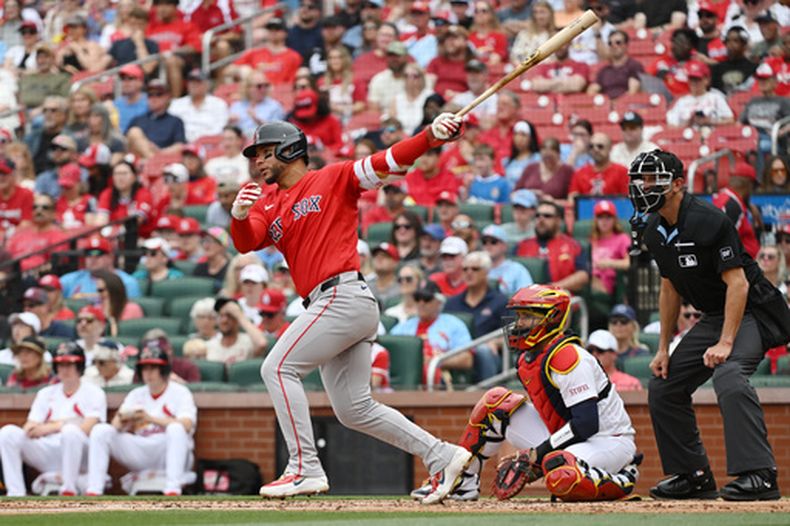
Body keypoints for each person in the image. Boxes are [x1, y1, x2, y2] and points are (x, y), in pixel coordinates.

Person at [229, 115, 472, 501]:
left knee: (277, 367)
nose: (258, 161)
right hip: (333, 304)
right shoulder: (268, 201)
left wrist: (429, 136)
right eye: (255, 154)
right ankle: (442, 455)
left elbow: (387, 161)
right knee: (354, 409)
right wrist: (238, 217)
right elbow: (247, 241)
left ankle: (304, 467)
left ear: (290, 149)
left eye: (265, 152)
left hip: (342, 295)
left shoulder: (332, 177)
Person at [628, 149, 788, 500]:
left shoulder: (709, 219)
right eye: (642, 179)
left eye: (655, 179)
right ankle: (693, 475)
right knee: (664, 386)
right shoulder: (653, 229)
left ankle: (761, 475)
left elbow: (739, 284)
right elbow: (669, 287)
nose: (645, 186)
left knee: (729, 375)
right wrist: (662, 348)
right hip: (716, 315)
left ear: (679, 185)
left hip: (754, 310)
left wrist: (727, 342)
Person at [411, 284, 639, 502]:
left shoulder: (568, 356)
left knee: (560, 473)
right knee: (495, 403)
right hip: (568, 435)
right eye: (519, 316)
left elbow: (587, 423)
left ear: (552, 318)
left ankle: (623, 476)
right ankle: (462, 481)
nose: (519, 323)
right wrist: (538, 454)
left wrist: (537, 454)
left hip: (609, 440)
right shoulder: (529, 358)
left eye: (527, 316)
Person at [86, 341, 197, 496]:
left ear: (163, 369)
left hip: (166, 448)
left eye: (153, 368)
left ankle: (173, 488)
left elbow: (187, 424)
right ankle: (94, 489)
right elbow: (115, 425)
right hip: (142, 449)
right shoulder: (136, 394)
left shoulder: (180, 392)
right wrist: (125, 419)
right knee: (101, 430)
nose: (148, 373)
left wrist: (150, 419)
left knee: (175, 428)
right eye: (145, 368)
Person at [0, 341, 106, 496]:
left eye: (70, 364)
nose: (65, 369)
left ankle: (69, 488)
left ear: (80, 366)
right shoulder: (46, 393)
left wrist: (54, 426)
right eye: (61, 365)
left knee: (71, 432)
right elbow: (29, 428)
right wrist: (65, 423)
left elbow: (86, 428)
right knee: (8, 432)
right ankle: (16, 492)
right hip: (48, 451)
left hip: (79, 453)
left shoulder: (94, 392)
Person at [390, 282, 473, 386]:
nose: (421, 303)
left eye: (426, 299)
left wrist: (435, 361)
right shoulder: (403, 327)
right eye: (417, 298)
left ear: (439, 302)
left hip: (441, 379)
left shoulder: (454, 324)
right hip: (405, 378)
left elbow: (466, 360)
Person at [444, 251, 509, 381]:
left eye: (475, 269)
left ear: (486, 272)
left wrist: (495, 342)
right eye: (465, 269)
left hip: (488, 353)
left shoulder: (501, 301)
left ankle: (489, 396)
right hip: (456, 350)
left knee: (483, 350)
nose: (468, 273)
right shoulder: (451, 303)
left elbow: (513, 335)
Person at [516, 201, 590, 293]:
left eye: (547, 216)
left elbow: (583, 275)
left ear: (558, 220)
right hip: (526, 298)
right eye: (538, 216)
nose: (541, 219)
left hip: (560, 297)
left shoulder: (573, 246)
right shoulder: (522, 245)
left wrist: (553, 287)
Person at [60, 236, 141, 300]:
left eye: (98, 254)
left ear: (111, 257)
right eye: (88, 254)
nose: (92, 258)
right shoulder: (70, 280)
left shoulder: (127, 283)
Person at [712, 162, 761, 258]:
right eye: (753, 187)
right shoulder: (732, 205)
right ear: (748, 184)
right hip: (739, 265)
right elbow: (724, 242)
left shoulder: (728, 199)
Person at [666, 61, 734, 128]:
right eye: (691, 79)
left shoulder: (716, 97)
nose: (694, 82)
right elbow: (671, 127)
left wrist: (710, 121)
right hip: (688, 135)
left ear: (706, 80)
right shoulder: (681, 101)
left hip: (711, 134)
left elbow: (731, 120)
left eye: (697, 79)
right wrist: (688, 123)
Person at [169, 69, 229, 144]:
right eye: (191, 82)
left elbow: (220, 129)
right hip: (183, 145)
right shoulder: (176, 104)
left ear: (207, 85)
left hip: (210, 145)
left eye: (198, 82)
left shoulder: (218, 104)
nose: (194, 85)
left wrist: (201, 140)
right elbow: (171, 127)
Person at [205, 297, 268, 365]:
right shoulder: (210, 345)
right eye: (221, 315)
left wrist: (240, 316)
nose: (224, 320)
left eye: (229, 316)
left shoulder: (248, 342)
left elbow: (262, 343)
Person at [568, 133, 629, 201]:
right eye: (591, 146)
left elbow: (626, 201)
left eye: (600, 146)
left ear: (610, 148)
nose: (595, 149)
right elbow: (572, 200)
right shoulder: (579, 173)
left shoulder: (622, 172)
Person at [587, 30, 643, 99]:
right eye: (610, 43)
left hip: (626, 107)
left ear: (626, 45)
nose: (614, 46)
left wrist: (616, 105)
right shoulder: (604, 71)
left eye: (618, 42)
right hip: (606, 107)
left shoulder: (633, 66)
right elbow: (592, 91)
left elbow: (632, 92)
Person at [590, 200, 630, 296]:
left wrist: (609, 263)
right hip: (590, 280)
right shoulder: (592, 240)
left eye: (608, 217)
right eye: (600, 217)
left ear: (614, 219)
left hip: (607, 284)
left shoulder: (622, 238)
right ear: (596, 220)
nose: (604, 221)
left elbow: (630, 263)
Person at [482, 224, 533, 295]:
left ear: (504, 246)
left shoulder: (517, 269)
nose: (488, 245)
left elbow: (527, 296)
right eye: (484, 242)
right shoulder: (477, 269)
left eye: (493, 242)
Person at [93, 269, 144, 337]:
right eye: (97, 290)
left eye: (101, 290)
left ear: (113, 289)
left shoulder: (132, 309)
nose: (98, 294)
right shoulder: (97, 308)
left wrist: (109, 315)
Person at [711, 26, 757, 95]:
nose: (730, 45)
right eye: (728, 41)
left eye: (735, 41)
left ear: (744, 44)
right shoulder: (717, 68)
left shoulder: (753, 68)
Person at [608, 303, 649, 369]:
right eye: (614, 321)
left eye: (624, 321)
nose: (618, 324)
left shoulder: (641, 354)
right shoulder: (604, 353)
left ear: (634, 327)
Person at [368, 242, 401, 306]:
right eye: (376, 255)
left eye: (384, 256)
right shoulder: (366, 286)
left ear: (395, 262)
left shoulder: (402, 286)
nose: (379, 258)